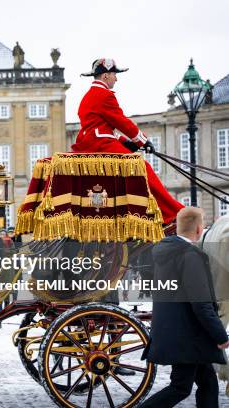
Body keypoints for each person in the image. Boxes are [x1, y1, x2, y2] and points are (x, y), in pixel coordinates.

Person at [72, 58, 183, 224]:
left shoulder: (87, 96)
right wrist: (142, 141)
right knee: (141, 167)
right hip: (100, 145)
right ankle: (170, 214)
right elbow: (121, 121)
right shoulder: (104, 95)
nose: (116, 79)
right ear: (106, 75)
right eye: (114, 74)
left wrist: (124, 142)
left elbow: (101, 127)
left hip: (91, 141)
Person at [140, 207, 229, 407]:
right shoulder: (191, 256)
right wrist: (221, 336)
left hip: (181, 332)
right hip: (188, 337)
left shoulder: (167, 251)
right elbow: (201, 304)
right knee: (180, 387)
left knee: (208, 383)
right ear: (199, 229)